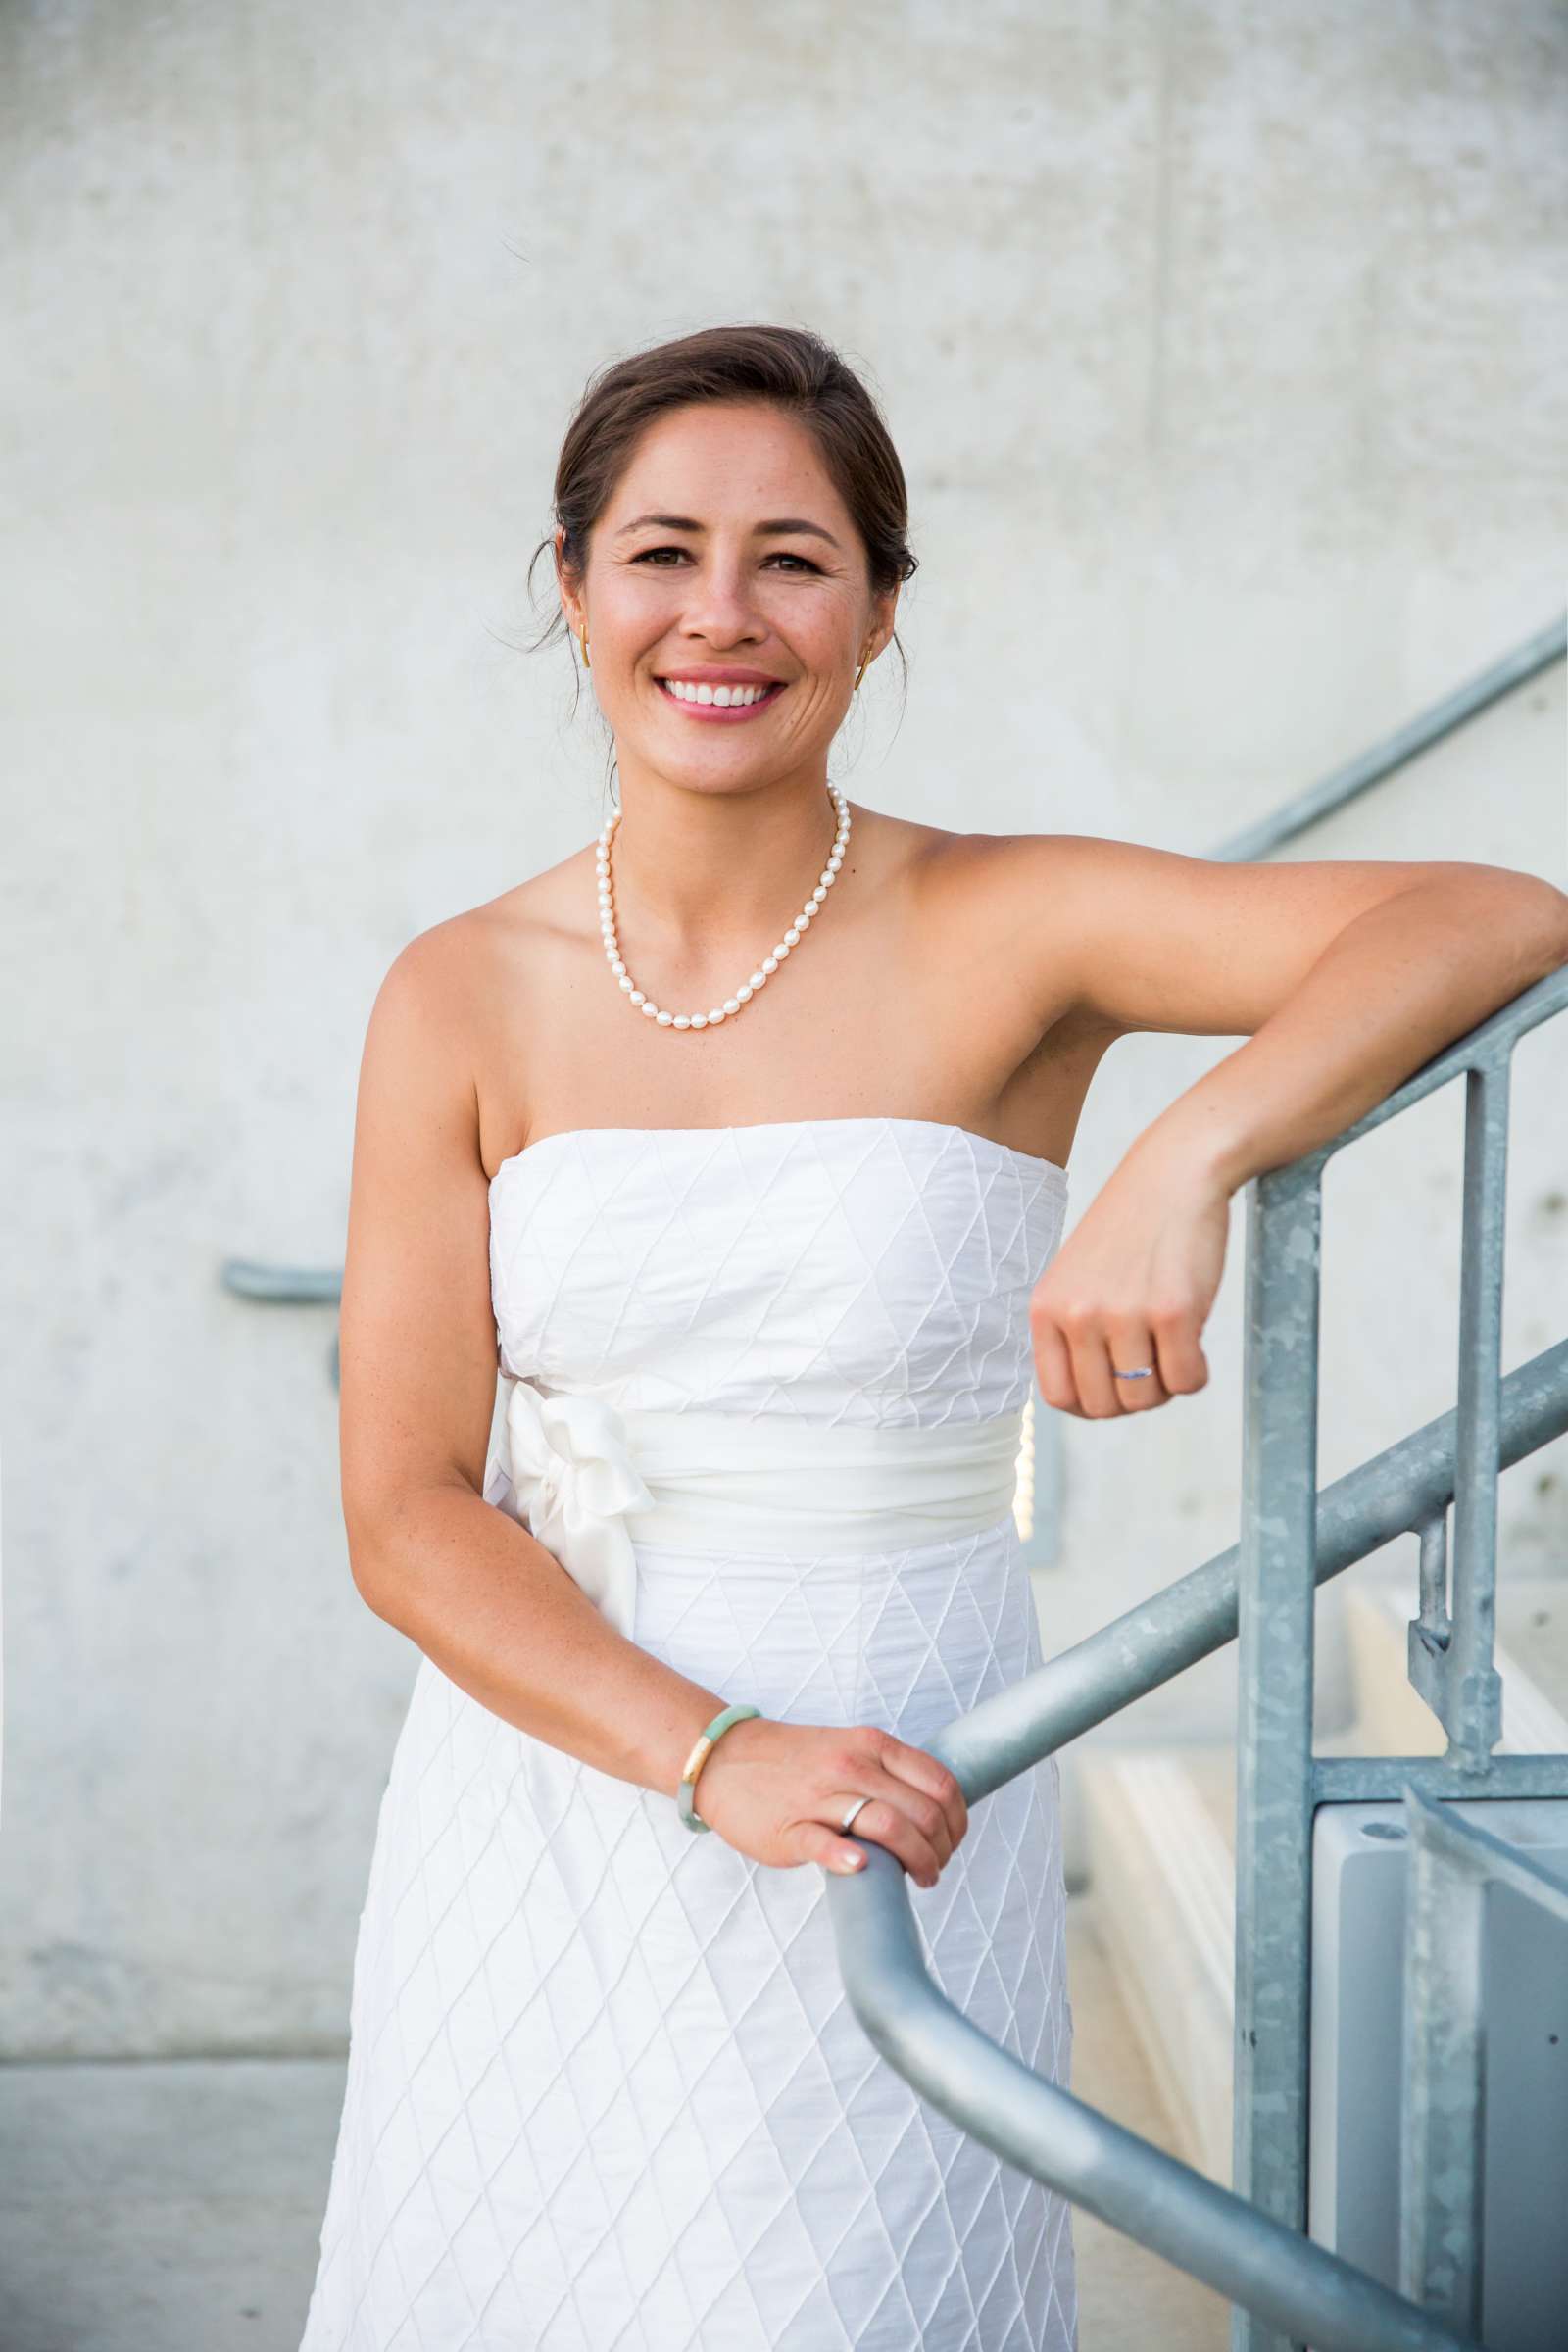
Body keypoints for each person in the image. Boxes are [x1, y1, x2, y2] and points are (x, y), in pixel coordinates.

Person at [299, 322, 1563, 2351]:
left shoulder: (1011, 920)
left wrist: (1185, 1155)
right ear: (571, 585)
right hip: (552, 1783)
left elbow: (1490, 909)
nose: (721, 615)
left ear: (881, 612)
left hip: (905, 1749)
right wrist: (703, 1754)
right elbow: (402, 1508)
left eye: (793, 558)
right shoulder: (457, 991)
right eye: (660, 551)